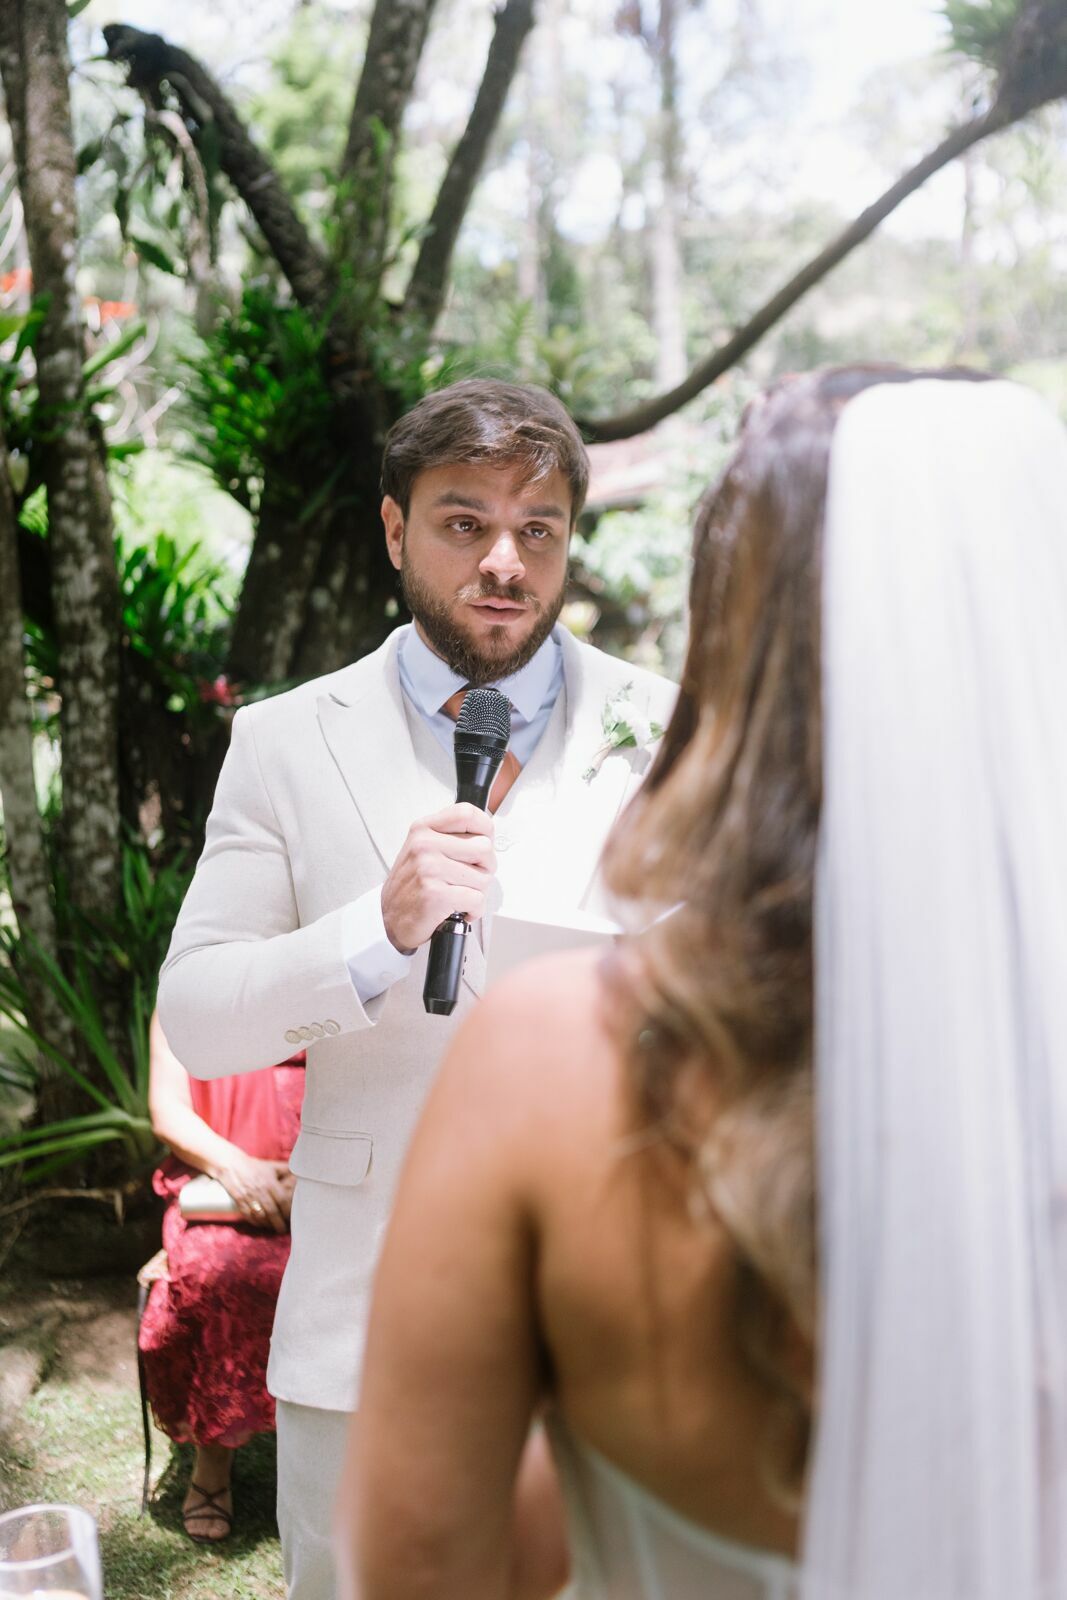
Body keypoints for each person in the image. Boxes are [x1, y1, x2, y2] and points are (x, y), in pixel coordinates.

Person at [341, 366, 1067, 1600]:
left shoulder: (556, 1064)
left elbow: (426, 1573)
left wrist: (569, 1379)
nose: (505, 560)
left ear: (735, 631)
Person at [156, 378, 678, 1597]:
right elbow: (199, 1014)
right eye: (463, 522)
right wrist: (374, 932)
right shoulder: (285, 741)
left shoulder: (670, 726)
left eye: (536, 528)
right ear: (394, 529)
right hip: (367, 1328)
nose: (504, 561)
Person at [138, 1011, 304, 1543]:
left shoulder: (347, 979)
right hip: (222, 1186)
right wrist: (242, 1170)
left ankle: (345, 1452)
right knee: (218, 1275)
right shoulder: (186, 991)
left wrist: (314, 1177)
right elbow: (168, 1111)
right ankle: (213, 1461)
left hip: (332, 1179)